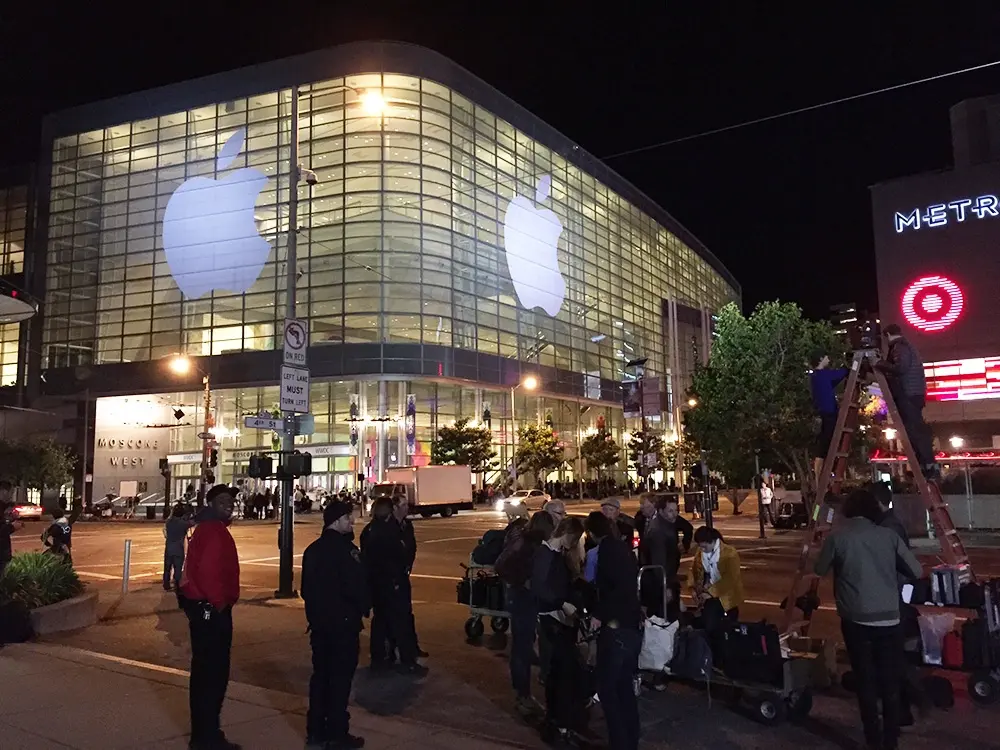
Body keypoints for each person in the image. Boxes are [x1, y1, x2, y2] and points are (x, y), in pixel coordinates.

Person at [815, 488, 922, 750]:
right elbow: (916, 571)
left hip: (856, 618)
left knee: (865, 678)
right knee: (889, 677)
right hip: (889, 618)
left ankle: (873, 738)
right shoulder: (888, 536)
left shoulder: (838, 538)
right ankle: (891, 738)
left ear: (849, 510)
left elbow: (819, 569)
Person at [301, 500, 370, 750]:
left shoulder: (313, 550)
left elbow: (306, 590)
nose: (352, 522)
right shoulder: (346, 551)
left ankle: (316, 730)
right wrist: (364, 606)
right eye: (348, 518)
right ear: (337, 520)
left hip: (319, 625)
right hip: (343, 625)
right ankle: (337, 732)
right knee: (340, 680)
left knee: (320, 677)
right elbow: (357, 586)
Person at [180, 485, 241, 750]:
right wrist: (219, 604)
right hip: (211, 612)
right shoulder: (214, 531)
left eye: (231, 500)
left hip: (204, 610)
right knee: (213, 675)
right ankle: (207, 736)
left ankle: (205, 734)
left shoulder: (207, 529)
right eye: (223, 500)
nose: (229, 504)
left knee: (206, 675)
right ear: (212, 503)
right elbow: (207, 572)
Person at [586, 512, 642, 750]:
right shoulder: (622, 548)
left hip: (616, 627)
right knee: (623, 687)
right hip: (631, 624)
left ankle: (620, 742)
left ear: (591, 533)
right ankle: (631, 738)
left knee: (608, 689)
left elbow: (612, 590)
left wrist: (599, 615)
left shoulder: (607, 552)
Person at [531, 516, 588, 744]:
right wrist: (561, 603)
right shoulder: (546, 555)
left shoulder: (553, 555)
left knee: (558, 674)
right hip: (553, 619)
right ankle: (558, 723)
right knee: (561, 674)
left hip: (558, 618)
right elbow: (540, 588)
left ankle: (557, 721)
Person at [495, 510, 555, 716]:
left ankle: (524, 691)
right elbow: (502, 566)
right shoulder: (525, 543)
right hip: (520, 596)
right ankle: (522, 694)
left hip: (523, 596)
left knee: (525, 644)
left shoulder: (529, 542)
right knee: (521, 646)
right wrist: (523, 581)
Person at [360, 497, 427, 676]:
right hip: (392, 583)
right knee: (399, 621)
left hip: (379, 583)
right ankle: (406, 660)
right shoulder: (389, 532)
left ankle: (380, 658)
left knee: (381, 621)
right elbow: (398, 556)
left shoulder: (370, 530)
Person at [876, 324, 935, 476]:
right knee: (915, 428)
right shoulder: (906, 346)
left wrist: (880, 364)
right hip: (913, 393)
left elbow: (900, 368)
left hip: (908, 394)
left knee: (914, 430)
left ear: (888, 335)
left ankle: (926, 464)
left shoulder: (900, 347)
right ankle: (926, 464)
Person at [638, 495, 693, 617]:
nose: (674, 514)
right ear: (661, 511)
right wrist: (666, 586)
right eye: (670, 511)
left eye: (676, 510)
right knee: (666, 617)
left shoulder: (664, 525)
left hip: (663, 578)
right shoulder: (659, 531)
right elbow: (659, 562)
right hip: (660, 581)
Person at [392, 496, 428, 659]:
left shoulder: (407, 526)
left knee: (407, 613)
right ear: (395, 507)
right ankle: (395, 651)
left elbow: (411, 547)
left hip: (402, 574)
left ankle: (411, 648)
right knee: (393, 616)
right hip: (392, 579)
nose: (407, 507)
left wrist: (408, 566)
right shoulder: (389, 528)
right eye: (403, 505)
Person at [690, 526, 744, 621]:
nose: (702, 549)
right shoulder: (700, 553)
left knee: (722, 623)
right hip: (707, 593)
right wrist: (692, 588)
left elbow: (731, 578)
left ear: (713, 541)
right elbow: (693, 570)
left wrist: (711, 593)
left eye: (704, 547)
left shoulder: (729, 553)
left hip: (726, 595)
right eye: (700, 546)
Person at [810, 353, 850, 476]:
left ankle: (820, 474)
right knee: (826, 443)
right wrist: (850, 366)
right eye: (826, 357)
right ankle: (821, 473)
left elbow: (835, 379)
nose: (828, 358)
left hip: (823, 412)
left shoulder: (815, 377)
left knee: (824, 443)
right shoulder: (823, 375)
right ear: (821, 359)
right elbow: (840, 374)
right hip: (829, 412)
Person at [163, 503, 193, 591]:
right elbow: (191, 522)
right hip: (178, 548)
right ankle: (177, 585)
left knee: (167, 568)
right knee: (178, 568)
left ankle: (166, 584)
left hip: (168, 548)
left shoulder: (169, 522)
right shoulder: (182, 523)